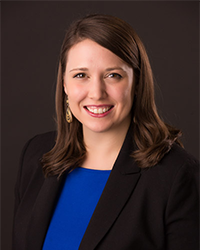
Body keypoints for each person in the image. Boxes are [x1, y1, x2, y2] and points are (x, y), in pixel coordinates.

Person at [12, 14, 199, 250]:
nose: (97, 93)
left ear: (137, 83)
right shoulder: (35, 154)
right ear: (64, 84)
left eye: (113, 75)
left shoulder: (177, 176)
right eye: (81, 75)